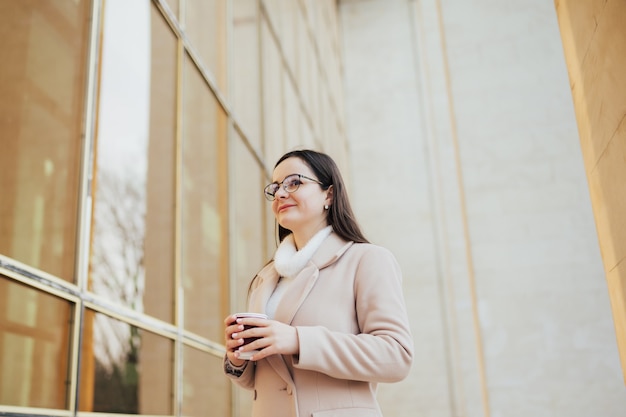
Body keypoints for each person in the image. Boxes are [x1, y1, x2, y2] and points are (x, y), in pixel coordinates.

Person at [223, 149, 413, 417]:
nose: (279, 194)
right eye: (275, 187)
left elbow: (396, 356)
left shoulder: (367, 260)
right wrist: (237, 357)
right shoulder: (266, 278)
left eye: (294, 182)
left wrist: (299, 340)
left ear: (329, 194)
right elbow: (260, 379)